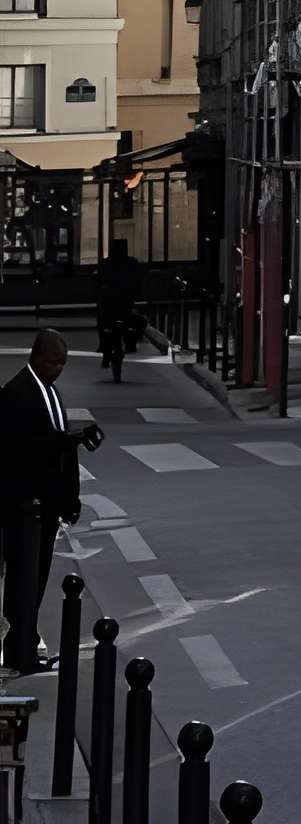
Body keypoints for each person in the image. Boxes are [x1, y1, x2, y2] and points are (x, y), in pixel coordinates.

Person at [0, 331, 99, 675]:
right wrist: (66, 441)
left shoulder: (48, 391)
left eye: (62, 364)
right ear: (37, 357)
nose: (57, 369)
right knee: (24, 582)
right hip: (25, 505)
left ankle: (23, 647)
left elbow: (55, 447)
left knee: (36, 579)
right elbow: (24, 451)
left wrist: (68, 500)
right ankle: (20, 654)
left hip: (44, 505)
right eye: (53, 362)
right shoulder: (18, 394)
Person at [95, 242, 146, 381]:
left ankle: (104, 347)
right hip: (124, 304)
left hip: (110, 305)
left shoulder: (105, 264)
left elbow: (96, 282)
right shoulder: (132, 263)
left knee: (102, 322)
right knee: (137, 322)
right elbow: (139, 282)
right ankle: (131, 343)